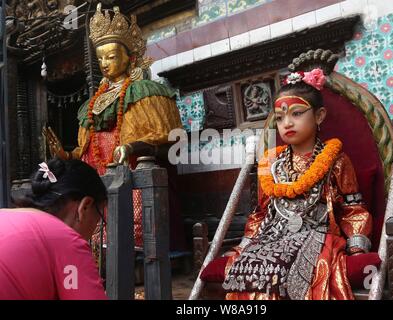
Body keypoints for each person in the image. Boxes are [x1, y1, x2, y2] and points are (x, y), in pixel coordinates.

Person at [221, 58, 373, 300]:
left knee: (301, 268)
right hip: (273, 236)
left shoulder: (336, 160)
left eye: (297, 113)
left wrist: (357, 246)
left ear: (320, 115)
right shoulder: (271, 165)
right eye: (280, 118)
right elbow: (261, 213)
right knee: (250, 266)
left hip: (319, 235)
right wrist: (245, 243)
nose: (287, 123)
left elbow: (354, 209)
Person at [42, 3, 184, 250]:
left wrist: (131, 147)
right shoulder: (91, 104)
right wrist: (67, 155)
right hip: (98, 180)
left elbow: (169, 141)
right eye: (100, 58)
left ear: (130, 57)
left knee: (131, 226)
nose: (104, 63)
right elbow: (87, 148)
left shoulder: (146, 93)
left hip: (130, 176)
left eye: (111, 56)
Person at [0, 159, 108, 300]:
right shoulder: (65, 239)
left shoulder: (5, 215)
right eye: (99, 218)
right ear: (85, 206)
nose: (96, 227)